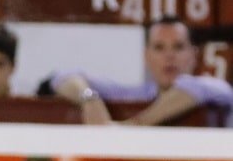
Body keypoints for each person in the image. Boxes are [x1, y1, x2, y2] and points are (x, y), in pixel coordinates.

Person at [50, 15, 233, 127]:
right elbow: (62, 77)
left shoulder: (215, 90)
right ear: (146, 56)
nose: (169, 56)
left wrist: (135, 125)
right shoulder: (138, 94)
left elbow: (196, 88)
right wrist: (90, 99)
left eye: (178, 47)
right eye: (159, 47)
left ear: (193, 55)